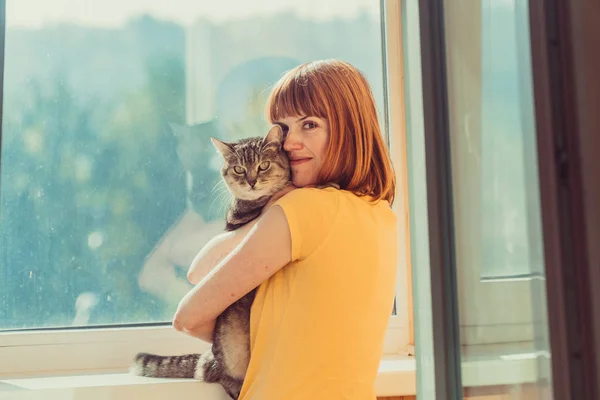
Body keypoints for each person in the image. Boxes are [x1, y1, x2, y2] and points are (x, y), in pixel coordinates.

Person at [173, 59, 398, 400]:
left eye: (309, 124)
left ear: (349, 130)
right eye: (284, 127)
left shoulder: (303, 208)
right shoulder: (381, 214)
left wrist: (272, 209)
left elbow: (190, 308)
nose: (289, 142)